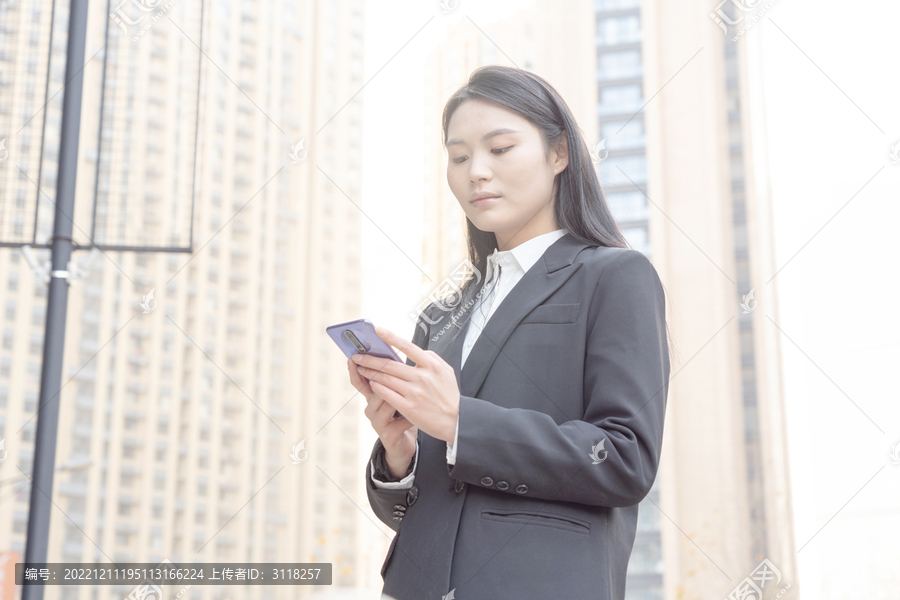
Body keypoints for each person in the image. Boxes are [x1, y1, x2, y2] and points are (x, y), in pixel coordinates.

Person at [348, 65, 672, 600]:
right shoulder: (440, 316)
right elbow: (410, 512)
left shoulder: (614, 276)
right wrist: (399, 450)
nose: (476, 171)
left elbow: (623, 459)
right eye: (458, 157)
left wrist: (459, 422)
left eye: (499, 149)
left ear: (559, 153)